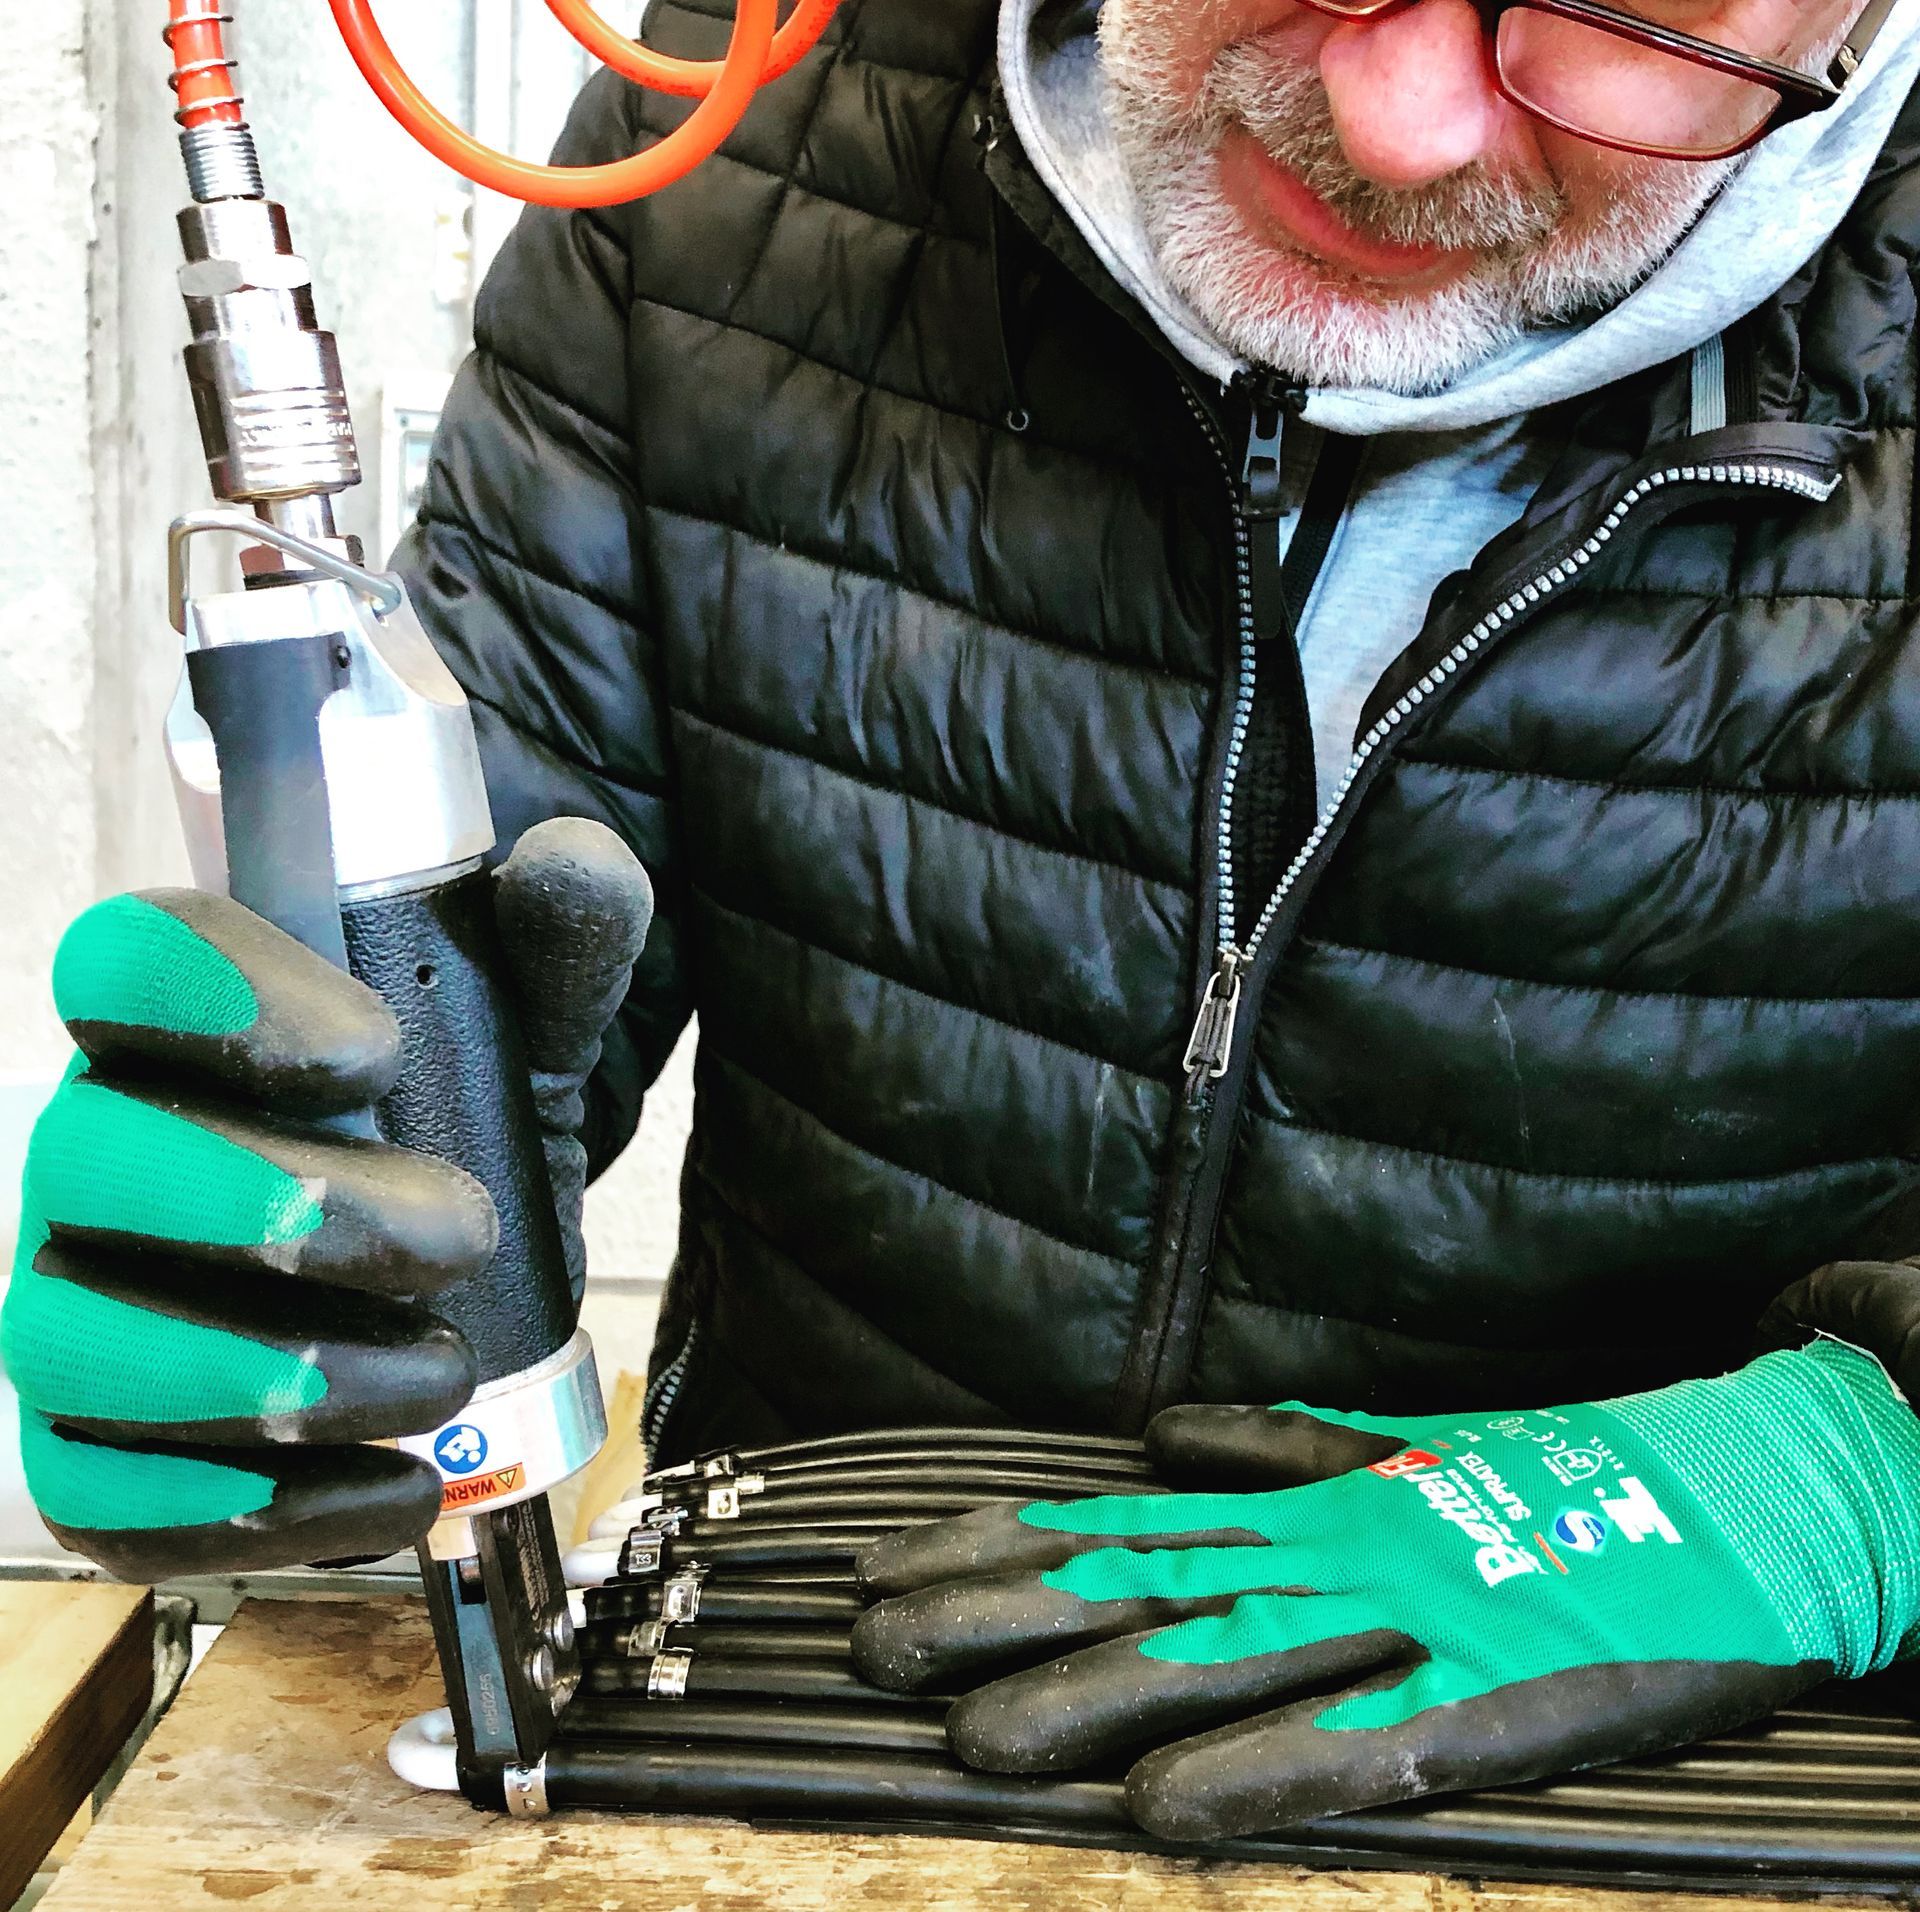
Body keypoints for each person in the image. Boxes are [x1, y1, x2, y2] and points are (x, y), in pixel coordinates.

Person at [11, 0, 1920, 1838]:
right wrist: (286, 1248)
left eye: (1638, 6)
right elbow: (474, 1003)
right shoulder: (732, 165)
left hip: (1687, 1794)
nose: (1400, 118)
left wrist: (1846, 1480)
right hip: (799, 1687)